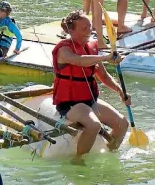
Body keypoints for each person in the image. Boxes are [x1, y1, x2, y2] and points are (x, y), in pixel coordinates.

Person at [53, 11, 130, 161]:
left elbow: (103, 75)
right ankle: (78, 160)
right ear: (71, 31)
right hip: (69, 104)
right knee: (94, 125)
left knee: (122, 124)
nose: (89, 31)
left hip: (90, 100)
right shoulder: (63, 49)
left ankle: (110, 152)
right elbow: (78, 61)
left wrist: (119, 90)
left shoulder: (92, 48)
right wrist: (106, 56)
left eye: (90, 27)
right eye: (84, 28)